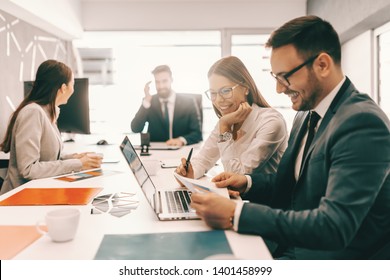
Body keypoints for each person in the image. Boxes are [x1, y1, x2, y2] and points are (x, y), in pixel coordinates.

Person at [190, 16, 390, 259]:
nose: (279, 89)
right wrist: (246, 182)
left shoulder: (362, 123)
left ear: (323, 65)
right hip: (291, 242)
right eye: (275, 78)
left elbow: (334, 227)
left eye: (285, 77)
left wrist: (237, 213)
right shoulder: (306, 113)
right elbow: (296, 185)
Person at [0, 60, 102, 195]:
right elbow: (28, 169)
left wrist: (76, 158)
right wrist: (78, 164)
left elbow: (48, 158)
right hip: (19, 197)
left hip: (36, 192)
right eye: (73, 84)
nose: (73, 89)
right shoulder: (33, 113)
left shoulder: (49, 113)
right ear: (63, 88)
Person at [176, 56, 288, 179]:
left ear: (245, 88)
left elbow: (237, 176)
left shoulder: (270, 122)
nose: (218, 100)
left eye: (225, 91)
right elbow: (204, 159)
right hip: (236, 197)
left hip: (261, 198)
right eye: (213, 93)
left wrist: (224, 127)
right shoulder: (228, 120)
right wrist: (189, 173)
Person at [131, 65, 202, 146]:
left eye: (164, 81)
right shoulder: (149, 102)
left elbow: (197, 134)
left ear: (171, 80)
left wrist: (181, 140)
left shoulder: (188, 102)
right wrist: (146, 102)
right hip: (156, 153)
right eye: (157, 82)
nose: (161, 86)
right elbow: (135, 128)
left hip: (181, 150)